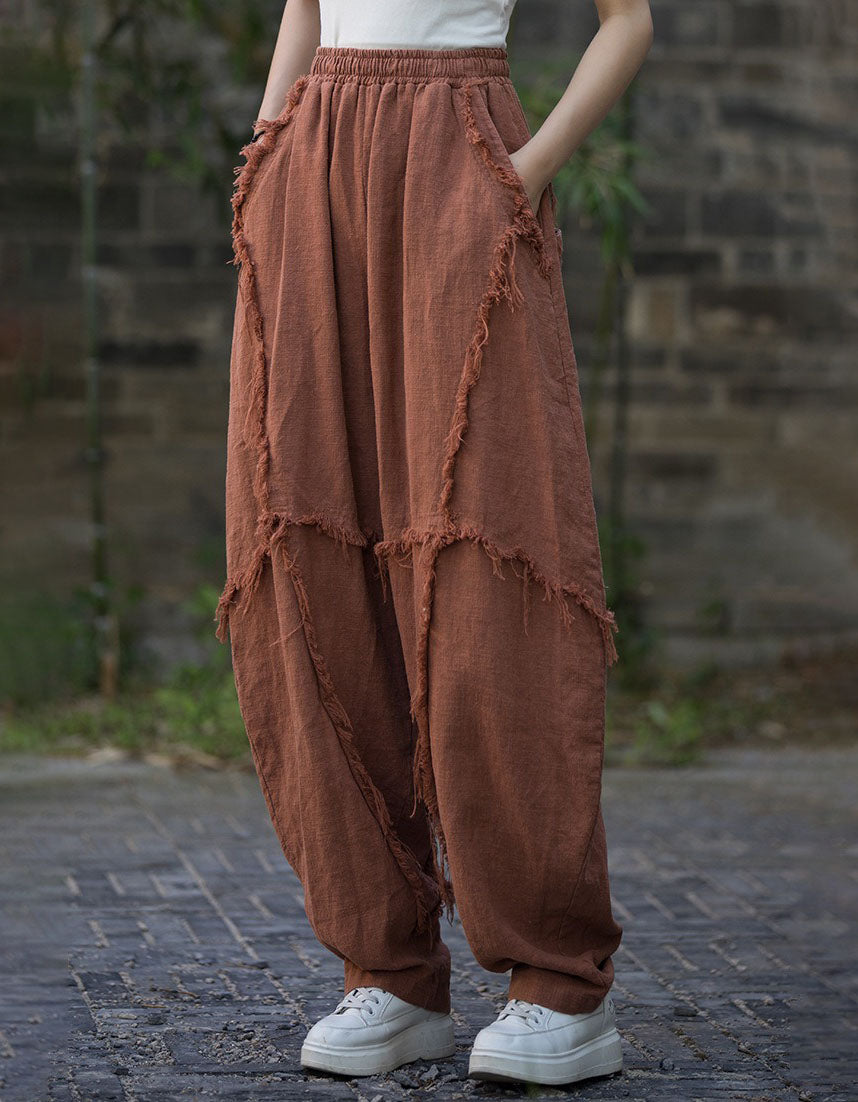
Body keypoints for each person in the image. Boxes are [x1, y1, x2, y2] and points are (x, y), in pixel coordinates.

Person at [215, 0, 653, 1086]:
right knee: (316, 539)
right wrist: (268, 150)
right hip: (316, 160)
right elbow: (308, 6)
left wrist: (527, 168)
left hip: (461, 152)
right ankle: (389, 968)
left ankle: (556, 982)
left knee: (488, 551)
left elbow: (628, 21)